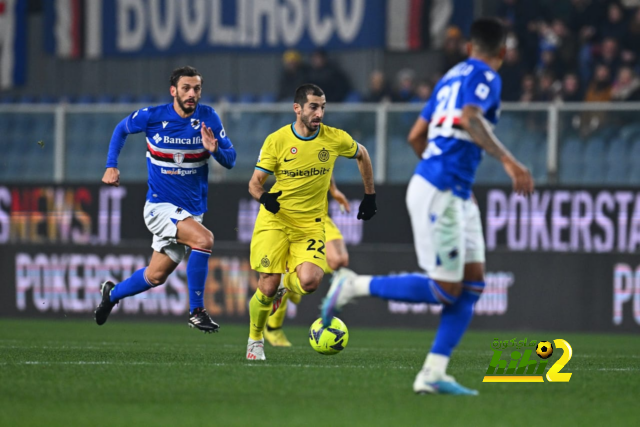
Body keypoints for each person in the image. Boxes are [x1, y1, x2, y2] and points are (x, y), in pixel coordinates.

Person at [322, 18, 534, 395]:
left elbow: (415, 135)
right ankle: (353, 285)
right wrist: (508, 161)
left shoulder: (451, 76)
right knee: (445, 289)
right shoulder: (487, 75)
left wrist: (441, 175)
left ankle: (433, 373)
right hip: (442, 188)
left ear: (469, 47)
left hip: (449, 188)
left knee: (471, 285)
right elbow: (470, 118)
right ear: (502, 52)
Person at [95, 66, 236, 333]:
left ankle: (110, 295)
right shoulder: (153, 116)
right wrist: (111, 165)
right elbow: (120, 129)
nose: (192, 93)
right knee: (204, 239)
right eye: (186, 88)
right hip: (159, 207)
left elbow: (231, 160)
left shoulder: (209, 118)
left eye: (196, 89)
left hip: (192, 211)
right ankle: (197, 311)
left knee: (155, 276)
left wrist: (215, 149)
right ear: (174, 91)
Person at [246, 83, 376, 360]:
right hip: (276, 220)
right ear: (298, 109)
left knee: (310, 282)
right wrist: (265, 198)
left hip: (311, 224)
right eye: (313, 107)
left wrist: (369, 196)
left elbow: (362, 154)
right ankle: (255, 340)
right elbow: (255, 184)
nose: (319, 113)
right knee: (266, 285)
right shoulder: (277, 140)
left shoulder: (333, 138)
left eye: (323, 107)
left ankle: (285, 285)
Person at [264, 175, 351, 347]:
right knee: (286, 273)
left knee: (339, 260)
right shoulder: (283, 149)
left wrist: (333, 190)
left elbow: (326, 167)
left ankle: (297, 277)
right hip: (291, 216)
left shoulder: (322, 148)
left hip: (318, 216)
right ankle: (273, 328)